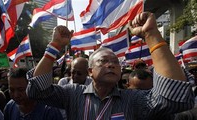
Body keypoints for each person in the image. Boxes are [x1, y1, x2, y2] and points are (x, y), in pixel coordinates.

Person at [26, 12, 195, 119]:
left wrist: (151, 35)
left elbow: (175, 97)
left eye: (115, 62)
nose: (111, 65)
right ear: (90, 72)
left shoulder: (133, 100)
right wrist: (54, 46)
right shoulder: (72, 95)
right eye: (103, 61)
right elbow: (37, 90)